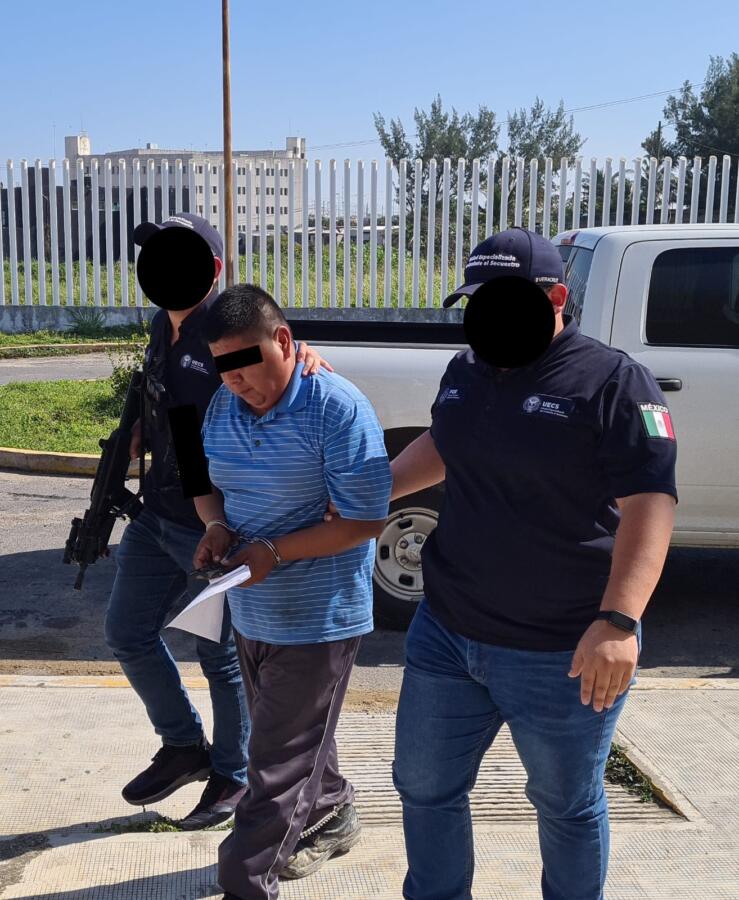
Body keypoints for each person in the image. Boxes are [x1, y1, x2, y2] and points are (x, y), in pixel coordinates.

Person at [388, 228, 678, 899]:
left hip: (564, 649)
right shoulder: (467, 368)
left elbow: (650, 505)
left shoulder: (613, 381)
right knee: (424, 786)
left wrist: (618, 622)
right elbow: (445, 441)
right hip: (447, 630)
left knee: (564, 804)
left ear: (556, 298)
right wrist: (367, 491)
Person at [104, 213, 329, 830]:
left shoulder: (224, 329)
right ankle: (183, 745)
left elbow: (283, 358)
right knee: (126, 631)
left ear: (215, 268)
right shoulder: (163, 325)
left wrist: (310, 355)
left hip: (219, 522)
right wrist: (139, 432)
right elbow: (174, 409)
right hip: (160, 511)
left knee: (221, 656)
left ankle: (233, 773)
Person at [191, 283, 392, 899]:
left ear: (283, 341)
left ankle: (246, 880)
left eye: (243, 364)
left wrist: (275, 553)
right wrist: (216, 528)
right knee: (293, 740)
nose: (234, 381)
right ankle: (331, 808)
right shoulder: (221, 406)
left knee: (274, 765)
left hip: (318, 619)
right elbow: (209, 485)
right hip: (252, 610)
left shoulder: (336, 408)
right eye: (222, 368)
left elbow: (365, 520)